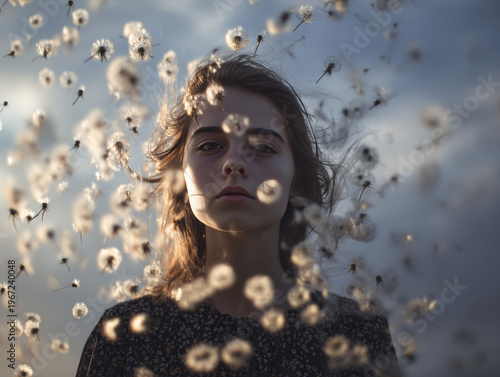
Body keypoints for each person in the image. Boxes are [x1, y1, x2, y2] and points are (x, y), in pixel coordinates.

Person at [75, 54, 400, 376]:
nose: (234, 163)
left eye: (263, 147)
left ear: (295, 181)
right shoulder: (125, 339)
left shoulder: (357, 333)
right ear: (180, 174)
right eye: (210, 145)